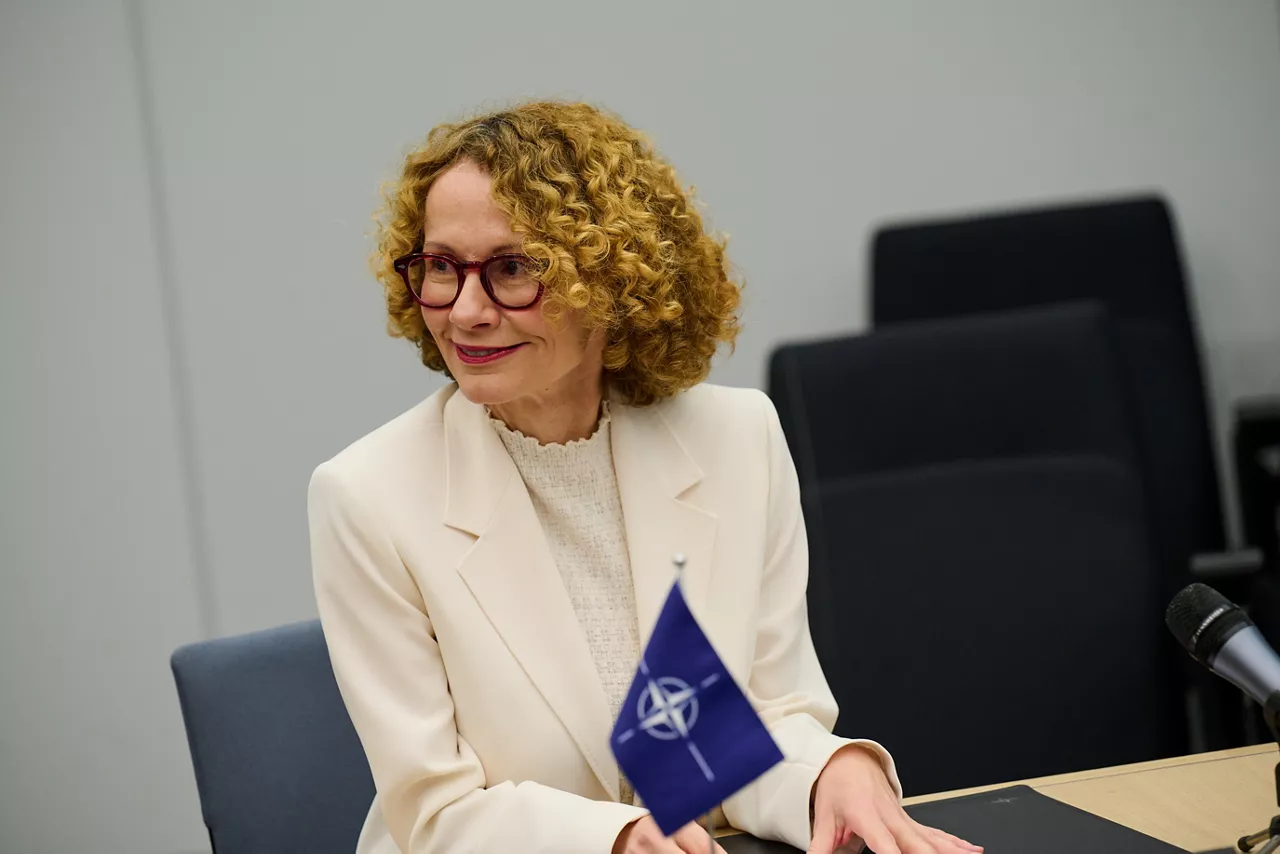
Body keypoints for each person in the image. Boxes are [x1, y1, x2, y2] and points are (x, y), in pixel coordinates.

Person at [308, 100, 981, 854]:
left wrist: (830, 771)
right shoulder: (367, 496)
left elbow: (736, 729)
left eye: (511, 268)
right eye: (441, 267)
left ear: (612, 279)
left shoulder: (737, 439)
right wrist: (616, 839)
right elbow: (435, 815)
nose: (465, 310)